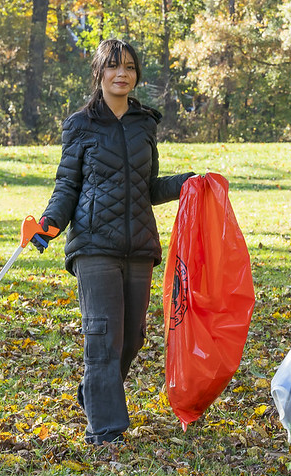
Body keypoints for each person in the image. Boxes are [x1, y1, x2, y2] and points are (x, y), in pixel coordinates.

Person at [33, 38, 195, 446]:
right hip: (93, 245)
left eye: (129, 67)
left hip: (139, 245)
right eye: (113, 66)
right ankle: (106, 430)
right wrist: (51, 222)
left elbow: (149, 186)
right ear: (99, 73)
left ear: (136, 75)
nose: (122, 73)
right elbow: (67, 184)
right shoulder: (81, 124)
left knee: (134, 336)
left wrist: (189, 184)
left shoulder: (146, 123)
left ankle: (94, 393)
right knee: (103, 335)